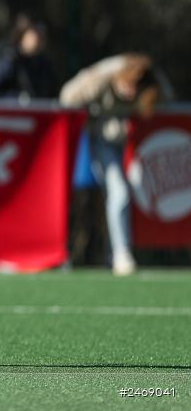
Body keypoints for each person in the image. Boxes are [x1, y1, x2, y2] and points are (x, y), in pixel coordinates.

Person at [60, 54, 169, 276]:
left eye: (137, 87)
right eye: (129, 84)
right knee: (118, 191)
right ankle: (120, 253)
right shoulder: (102, 78)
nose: (131, 91)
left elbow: (167, 97)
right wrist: (88, 98)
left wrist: (156, 76)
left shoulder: (148, 86)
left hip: (130, 144)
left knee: (125, 192)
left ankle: (115, 252)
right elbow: (67, 97)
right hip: (97, 141)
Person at [0, 15, 58, 101]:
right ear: (23, 34)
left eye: (42, 33)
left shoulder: (45, 65)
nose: (40, 37)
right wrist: (17, 98)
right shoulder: (9, 61)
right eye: (36, 32)